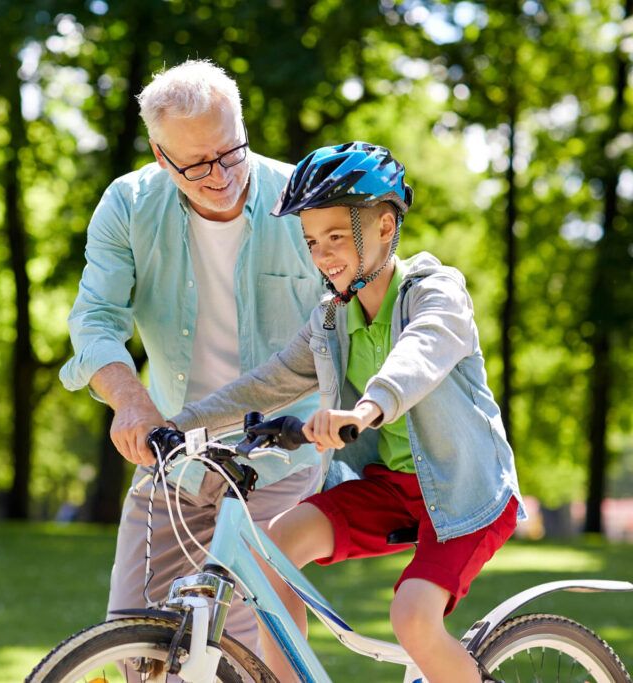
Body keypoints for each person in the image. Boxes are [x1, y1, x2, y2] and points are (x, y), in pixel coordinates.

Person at [168, 142, 526, 682]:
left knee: (413, 618)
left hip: (465, 490)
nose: (323, 255)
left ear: (385, 227)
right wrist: (178, 424)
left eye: (336, 236)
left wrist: (366, 408)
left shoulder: (436, 292)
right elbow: (267, 383)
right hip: (391, 487)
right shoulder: (332, 321)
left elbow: (419, 355)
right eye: (312, 241)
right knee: (271, 554)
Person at [59, 59, 325, 651]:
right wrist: (130, 401)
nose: (220, 175)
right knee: (132, 641)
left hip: (279, 456)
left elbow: (355, 318)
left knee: (245, 648)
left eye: (230, 152)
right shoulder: (128, 206)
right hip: (174, 451)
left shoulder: (304, 204)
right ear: (160, 155)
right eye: (197, 163)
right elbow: (96, 317)